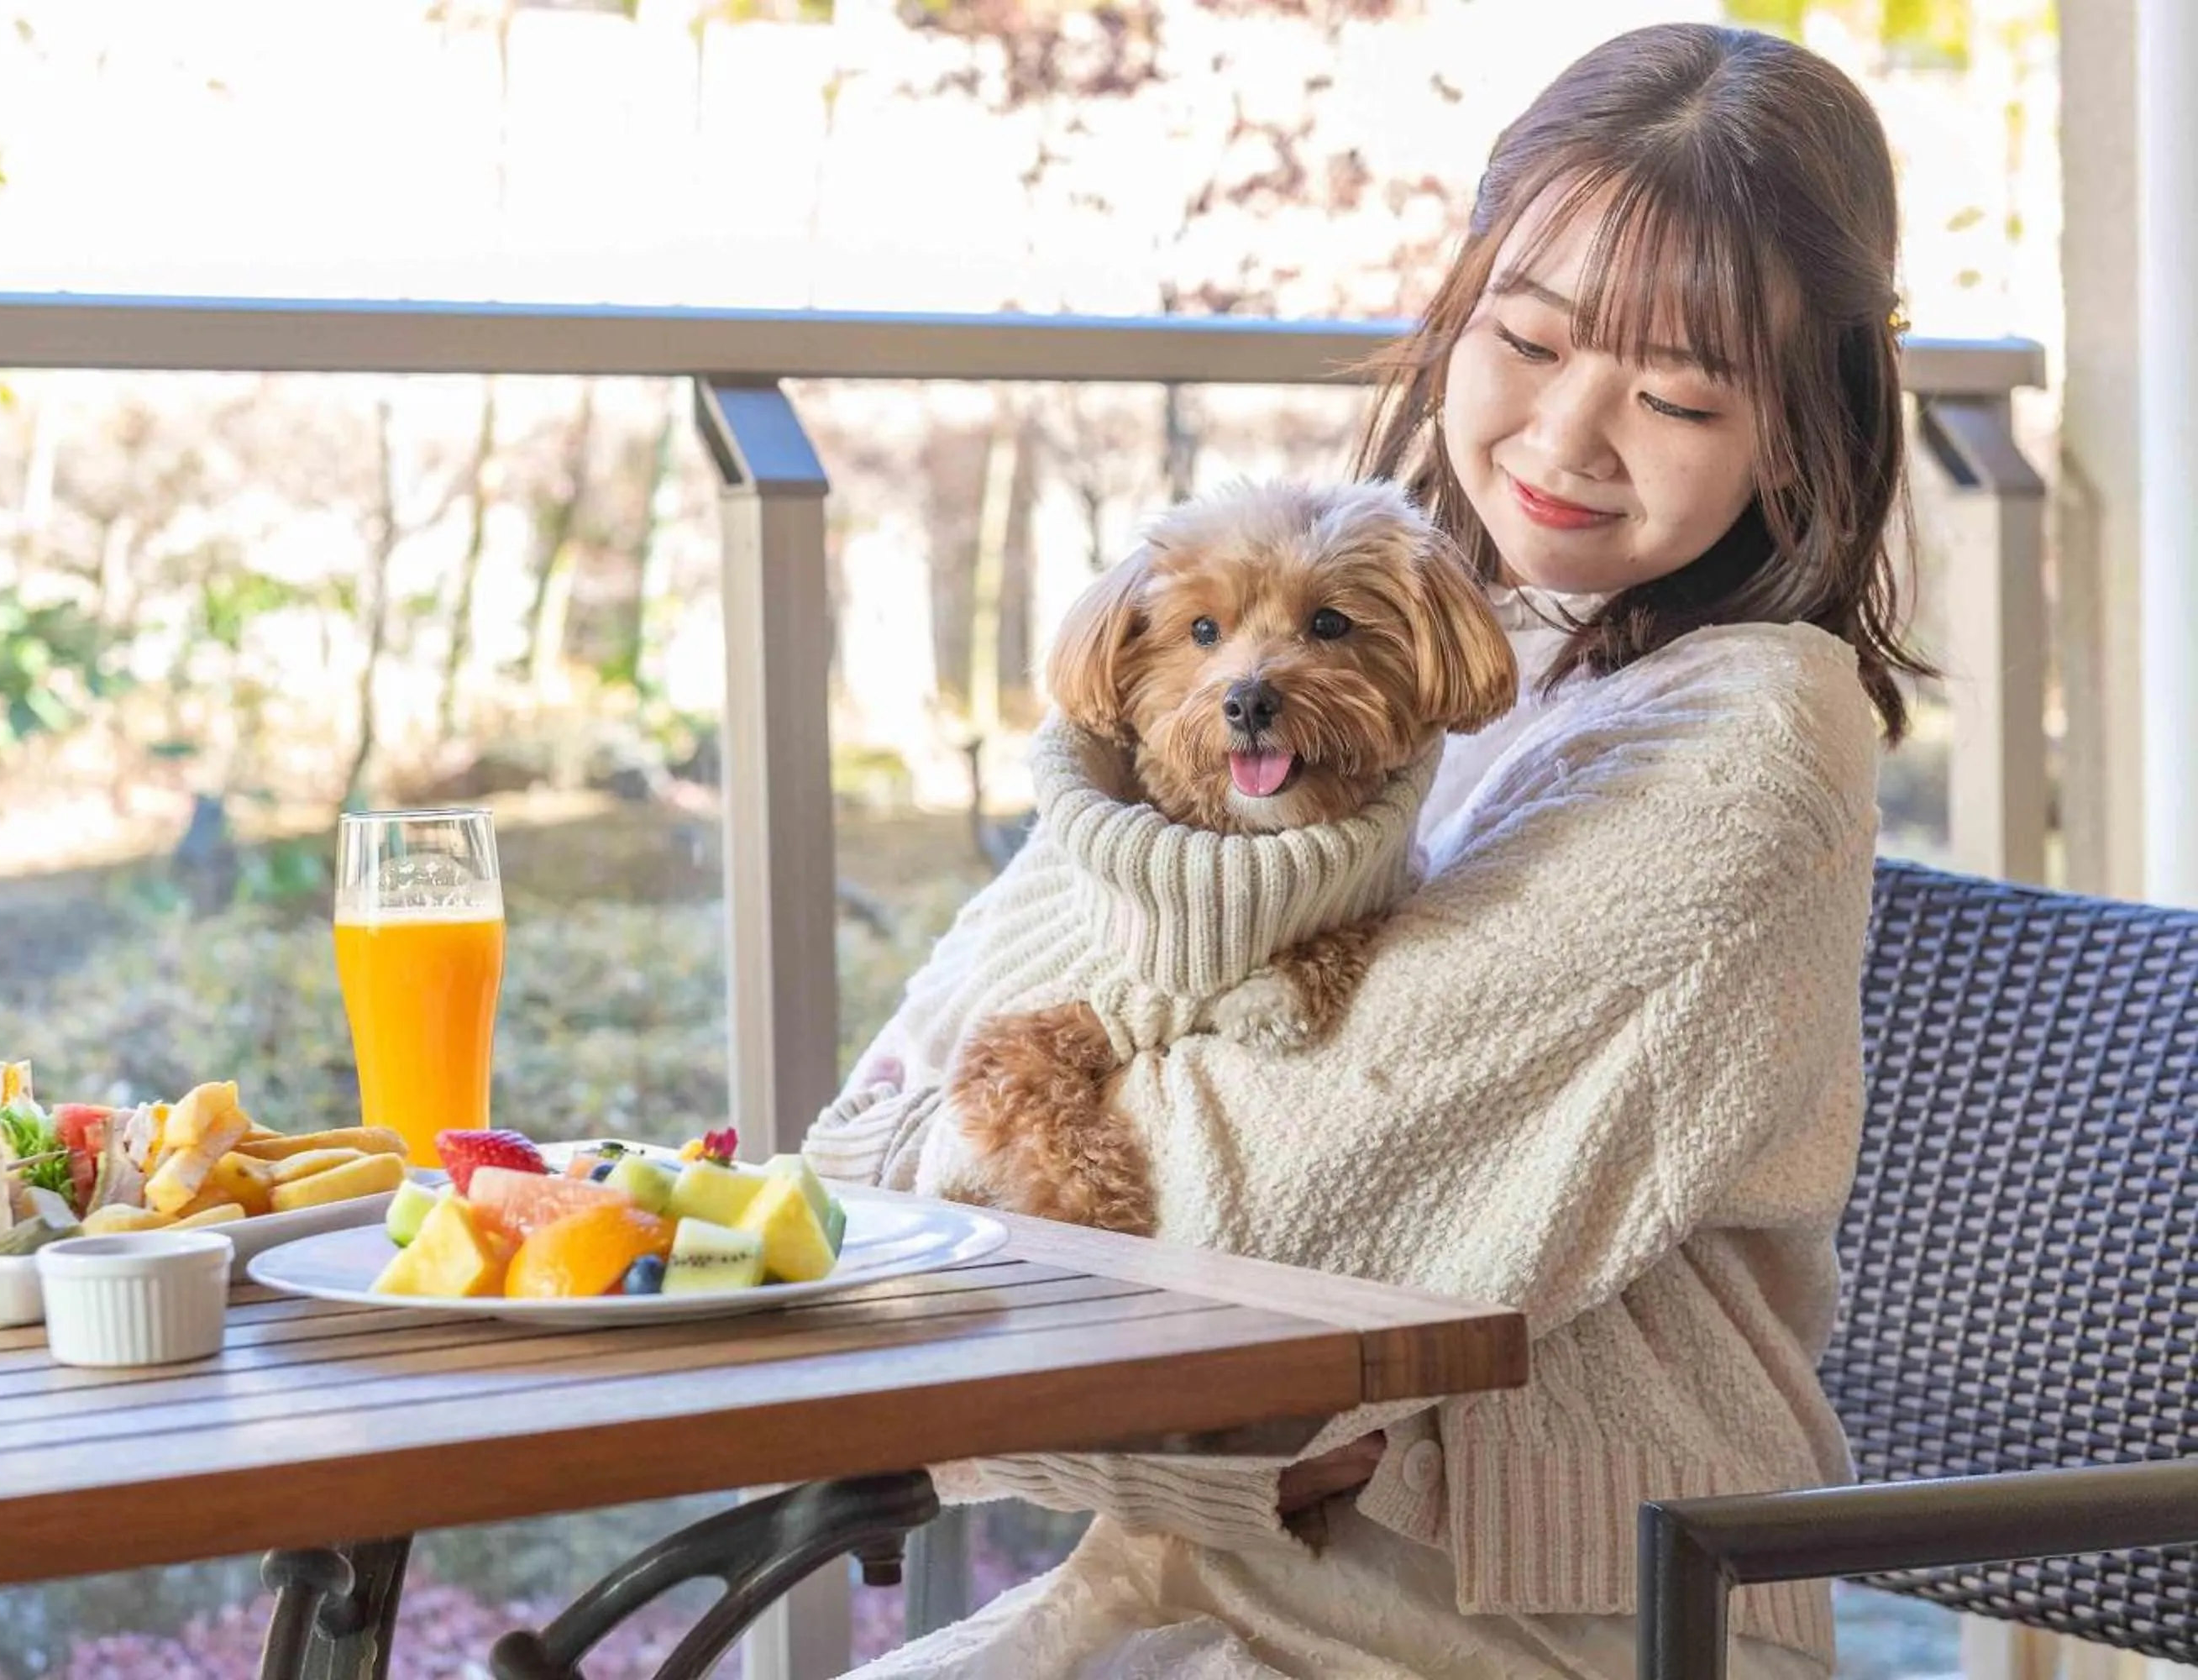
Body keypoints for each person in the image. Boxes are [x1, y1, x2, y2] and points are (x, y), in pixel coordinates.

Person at [806, 21, 1923, 1679]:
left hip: (1554, 1624)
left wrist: (901, 1196)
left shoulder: (1750, 737)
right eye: (1525, 339)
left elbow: (1269, 1226)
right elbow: (889, 1114)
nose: (1565, 438)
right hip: (1189, 1580)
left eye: (1679, 392)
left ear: (1810, 418)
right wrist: (881, 1191)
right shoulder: (1374, 650)